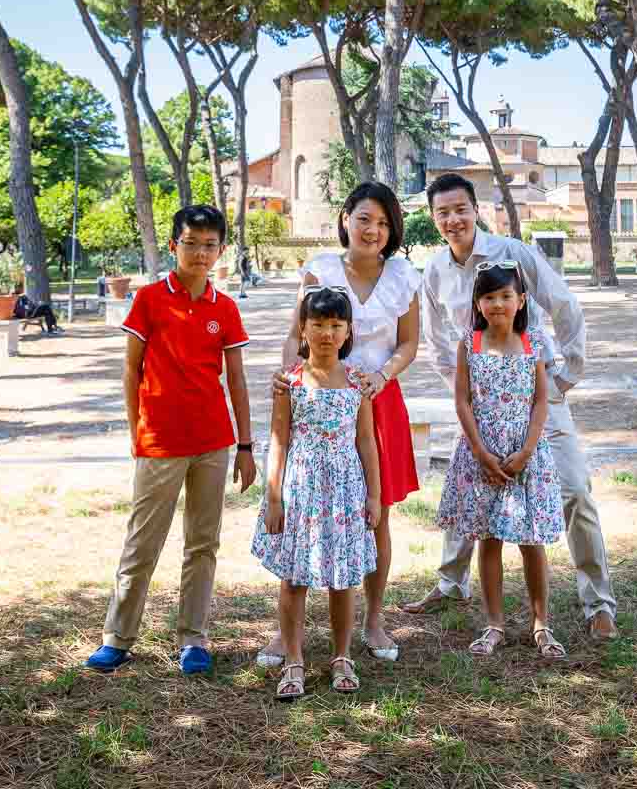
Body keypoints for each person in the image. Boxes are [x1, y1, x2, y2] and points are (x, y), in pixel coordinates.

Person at [402, 173, 618, 640]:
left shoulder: (512, 253)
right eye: (443, 212)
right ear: (434, 218)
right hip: (483, 407)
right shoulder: (435, 271)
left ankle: (598, 603)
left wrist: (565, 377)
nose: (453, 219)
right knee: (471, 494)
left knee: (575, 490)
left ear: (476, 209)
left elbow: (563, 305)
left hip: (537, 396)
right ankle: (451, 583)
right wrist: (469, 392)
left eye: (461, 208)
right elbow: (440, 344)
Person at [85, 204, 257, 676]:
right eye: (190, 243)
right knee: (143, 542)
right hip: (159, 442)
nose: (200, 253)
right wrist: (135, 429)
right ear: (174, 245)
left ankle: (193, 638)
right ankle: (117, 638)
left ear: (221, 250)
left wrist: (245, 445)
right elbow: (130, 369)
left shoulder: (225, 308)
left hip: (212, 443)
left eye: (209, 245)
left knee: (203, 543)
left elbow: (237, 381)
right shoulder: (148, 300)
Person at [260, 181, 420, 666]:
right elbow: (295, 335)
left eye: (384, 222)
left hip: (376, 400)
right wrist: (292, 378)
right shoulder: (321, 269)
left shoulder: (404, 276)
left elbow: (408, 344)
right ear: (346, 217)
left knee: (375, 515)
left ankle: (372, 619)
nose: (373, 230)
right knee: (301, 513)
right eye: (365, 218)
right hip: (316, 399)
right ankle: (287, 635)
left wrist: (380, 375)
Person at [252, 287, 381, 700]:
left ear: (348, 330)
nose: (327, 333)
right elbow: (279, 440)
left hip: (345, 492)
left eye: (336, 325)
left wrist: (374, 497)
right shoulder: (288, 382)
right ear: (304, 329)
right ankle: (293, 659)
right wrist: (274, 497)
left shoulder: (357, 382)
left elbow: (366, 442)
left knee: (342, 579)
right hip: (300, 491)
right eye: (319, 324)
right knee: (294, 579)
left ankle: (342, 656)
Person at [437, 261, 566, 659]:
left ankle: (541, 623)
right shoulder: (469, 344)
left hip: (524, 455)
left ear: (521, 300)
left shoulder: (532, 344)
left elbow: (542, 399)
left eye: (505, 296)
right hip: (482, 454)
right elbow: (462, 399)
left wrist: (526, 451)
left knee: (530, 542)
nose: (497, 304)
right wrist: (480, 452)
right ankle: (494, 623)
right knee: (488, 539)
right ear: (478, 303)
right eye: (489, 297)